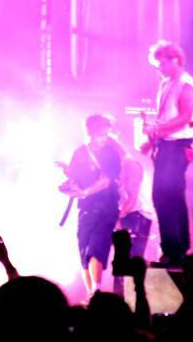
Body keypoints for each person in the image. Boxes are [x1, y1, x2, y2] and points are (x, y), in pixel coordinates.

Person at [144, 40, 193, 266]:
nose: (159, 69)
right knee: (164, 196)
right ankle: (173, 248)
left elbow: (185, 117)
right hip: (165, 146)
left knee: (169, 195)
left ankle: (177, 250)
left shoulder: (186, 84)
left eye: (161, 64)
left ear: (175, 60)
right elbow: (166, 117)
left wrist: (158, 129)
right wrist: (153, 138)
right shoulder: (166, 83)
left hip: (178, 146)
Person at [60, 113, 124, 296]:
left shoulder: (111, 154)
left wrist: (85, 192)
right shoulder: (80, 153)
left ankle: (96, 290)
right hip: (86, 208)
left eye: (105, 134)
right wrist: (69, 184)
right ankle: (91, 294)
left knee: (97, 247)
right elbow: (75, 178)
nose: (102, 138)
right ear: (89, 132)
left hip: (107, 208)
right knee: (84, 251)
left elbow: (106, 181)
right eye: (99, 134)